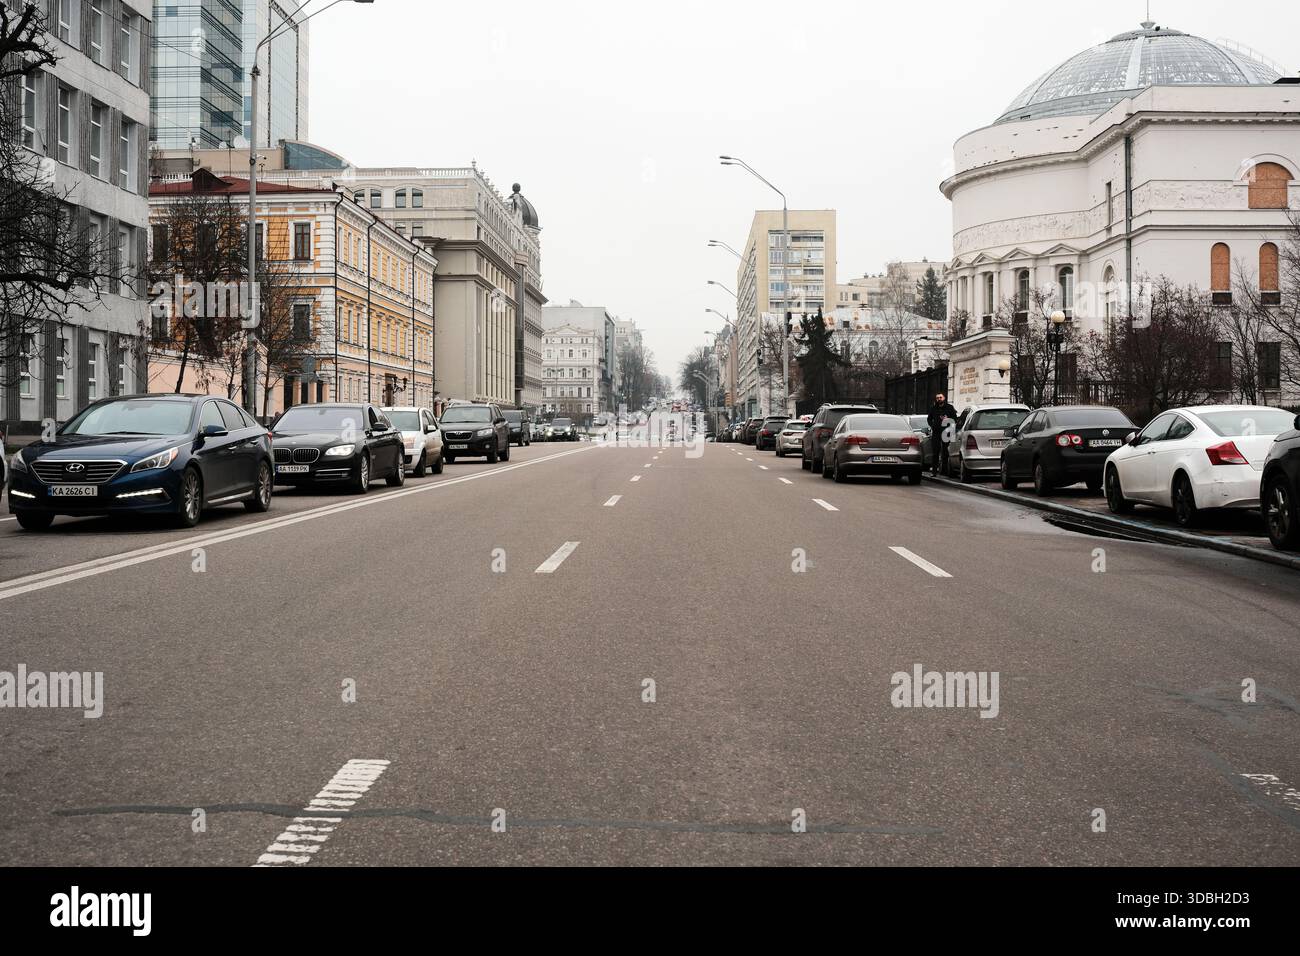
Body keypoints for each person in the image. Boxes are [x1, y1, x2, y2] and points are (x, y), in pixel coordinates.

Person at [926, 393, 958, 476]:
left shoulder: (950, 407)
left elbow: (955, 419)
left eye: (940, 397)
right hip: (936, 432)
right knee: (935, 452)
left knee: (946, 452)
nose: (939, 399)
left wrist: (948, 419)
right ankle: (934, 471)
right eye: (937, 398)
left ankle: (944, 471)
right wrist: (933, 425)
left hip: (946, 431)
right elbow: (929, 419)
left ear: (944, 398)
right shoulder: (933, 408)